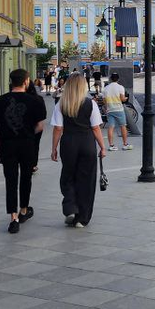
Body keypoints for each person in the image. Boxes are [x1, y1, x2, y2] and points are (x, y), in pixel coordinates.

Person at [0, 69, 47, 234]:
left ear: (11, 81)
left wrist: (5, 129)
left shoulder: (0, 100)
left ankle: (13, 218)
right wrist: (27, 133)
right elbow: (40, 126)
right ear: (26, 81)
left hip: (7, 144)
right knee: (26, 178)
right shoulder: (35, 101)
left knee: (10, 180)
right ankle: (23, 211)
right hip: (27, 144)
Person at [51, 74, 106, 229]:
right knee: (86, 180)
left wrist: (54, 148)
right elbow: (95, 128)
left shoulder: (61, 104)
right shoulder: (91, 104)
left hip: (68, 143)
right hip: (87, 143)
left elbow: (58, 129)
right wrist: (102, 147)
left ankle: (70, 207)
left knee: (68, 176)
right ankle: (82, 218)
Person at [101, 72, 133, 151]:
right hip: (119, 109)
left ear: (111, 79)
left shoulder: (106, 88)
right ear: (118, 79)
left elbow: (104, 101)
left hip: (110, 110)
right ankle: (125, 144)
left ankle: (111, 145)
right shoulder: (120, 87)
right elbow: (122, 99)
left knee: (111, 127)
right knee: (123, 126)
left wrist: (107, 107)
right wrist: (125, 98)